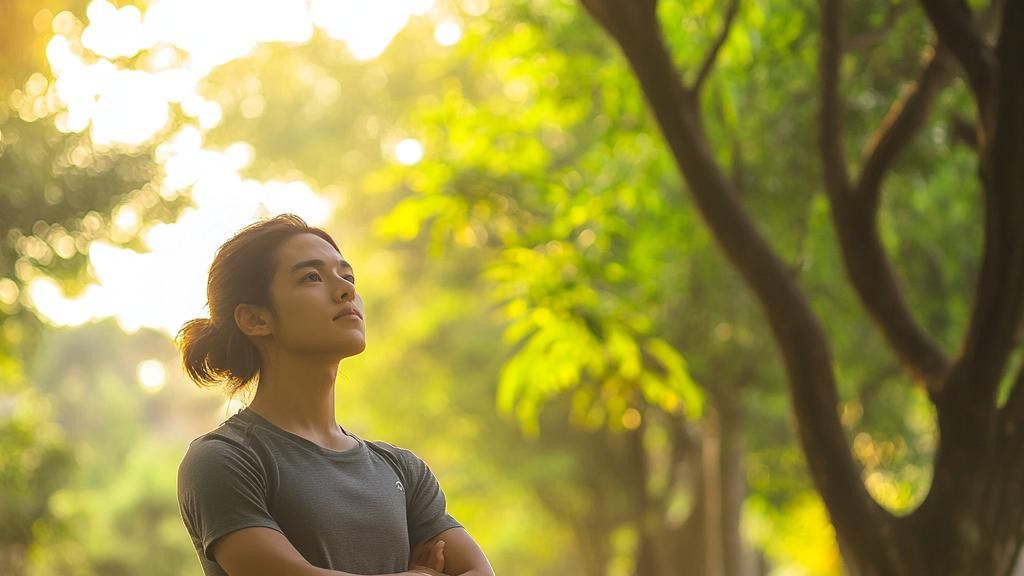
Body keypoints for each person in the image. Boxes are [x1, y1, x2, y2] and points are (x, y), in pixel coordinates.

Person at [175, 214, 494, 576]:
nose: (346, 290)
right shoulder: (225, 460)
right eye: (312, 277)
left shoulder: (402, 470)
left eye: (348, 276)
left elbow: (479, 572)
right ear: (255, 320)